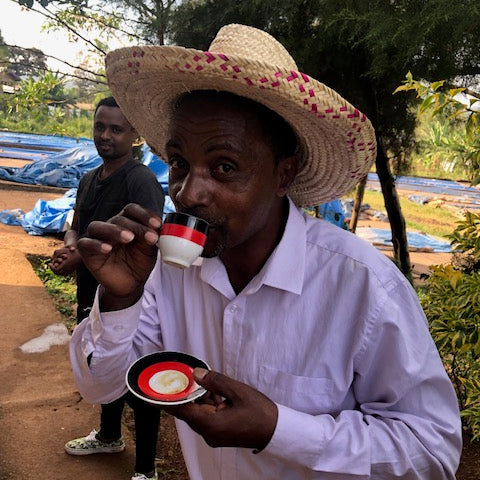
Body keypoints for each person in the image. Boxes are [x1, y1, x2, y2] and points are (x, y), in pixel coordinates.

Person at [68, 24, 462, 479]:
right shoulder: (169, 273)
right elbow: (99, 384)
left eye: (225, 166)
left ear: (283, 174)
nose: (188, 192)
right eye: (178, 163)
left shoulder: (363, 287)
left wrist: (280, 429)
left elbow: (432, 450)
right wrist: (120, 300)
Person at [51, 96, 165, 480]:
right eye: (100, 126)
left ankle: (146, 470)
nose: (105, 135)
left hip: (132, 301)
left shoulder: (141, 181)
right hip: (93, 293)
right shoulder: (88, 179)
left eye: (116, 129)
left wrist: (81, 256)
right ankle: (109, 435)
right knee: (100, 362)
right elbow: (77, 223)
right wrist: (69, 247)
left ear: (135, 136)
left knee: (140, 381)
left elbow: (143, 240)